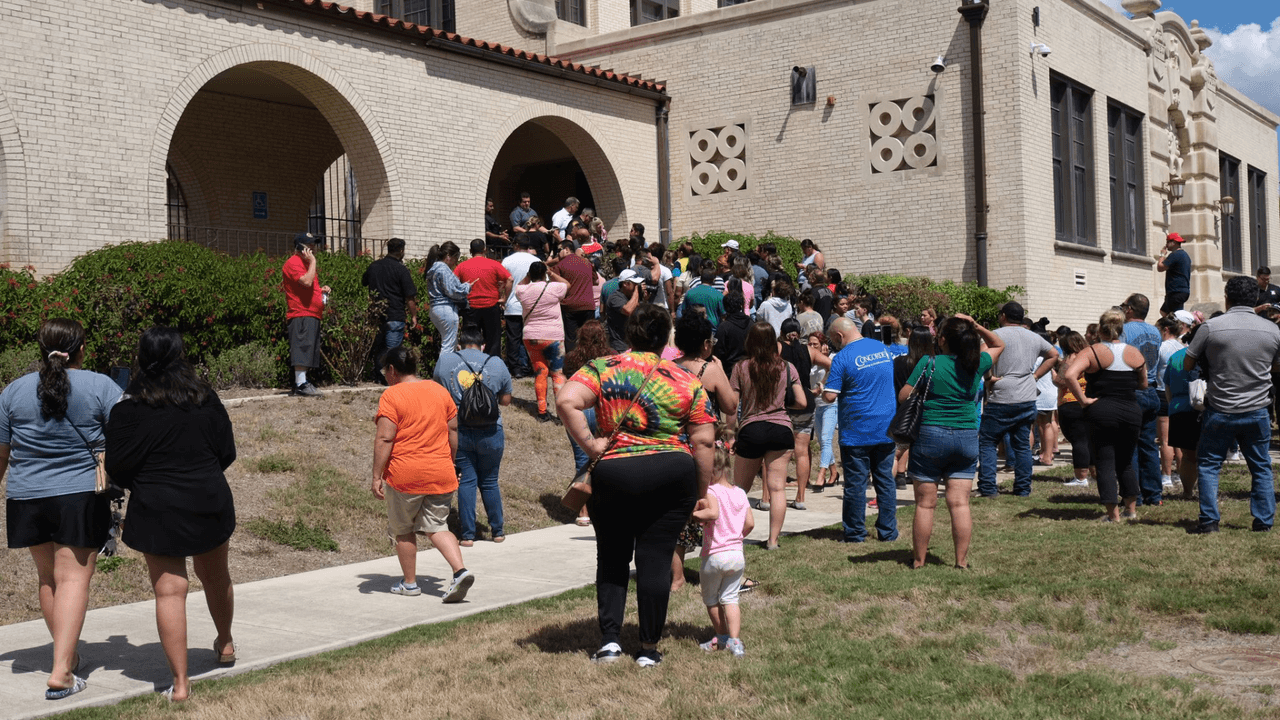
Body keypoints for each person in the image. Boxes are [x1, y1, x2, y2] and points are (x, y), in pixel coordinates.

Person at [558, 304, 716, 667]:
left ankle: (610, 643)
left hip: (615, 472)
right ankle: (648, 648)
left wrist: (591, 445)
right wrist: (701, 492)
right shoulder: (686, 380)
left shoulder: (602, 368)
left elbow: (567, 400)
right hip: (671, 472)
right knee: (656, 559)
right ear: (666, 339)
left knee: (612, 557)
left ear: (630, 334)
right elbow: (705, 441)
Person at [104, 327, 237, 703]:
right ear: (180, 356)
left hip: (156, 503)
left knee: (169, 591)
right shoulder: (205, 398)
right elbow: (226, 451)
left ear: (141, 359)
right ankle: (225, 643)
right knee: (216, 576)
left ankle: (180, 684)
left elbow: (117, 466)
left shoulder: (127, 408)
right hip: (207, 497)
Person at [0, 319, 122, 700]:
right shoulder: (102, 386)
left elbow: (1, 455)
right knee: (73, 580)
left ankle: (66, 657)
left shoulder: (12, 392)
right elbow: (128, 436)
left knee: (48, 579)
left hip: (25, 497)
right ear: (82, 349)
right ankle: (62, 672)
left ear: (41, 349)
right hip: (79, 496)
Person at [898, 314, 1004, 569]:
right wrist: (975, 326)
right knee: (959, 503)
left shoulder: (929, 362)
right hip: (966, 435)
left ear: (943, 340)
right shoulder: (977, 363)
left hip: (930, 434)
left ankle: (919, 561)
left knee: (925, 504)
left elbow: (904, 396)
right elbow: (999, 344)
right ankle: (961, 561)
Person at [370, 347, 475, 602]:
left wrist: (376, 476)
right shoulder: (439, 390)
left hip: (405, 475)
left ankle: (410, 584)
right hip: (441, 472)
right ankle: (460, 571)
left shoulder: (392, 395)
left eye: (385, 371)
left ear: (392, 370)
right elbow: (452, 430)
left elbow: (385, 438)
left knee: (403, 529)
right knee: (437, 526)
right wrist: (449, 463)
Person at [1183, 276, 1280, 534]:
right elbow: (1276, 367)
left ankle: (1209, 521)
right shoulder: (1273, 330)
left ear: (1227, 298)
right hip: (1257, 408)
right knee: (1260, 467)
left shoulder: (1211, 327)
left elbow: (1188, 364)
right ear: (1256, 298)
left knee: (1209, 465)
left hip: (1220, 408)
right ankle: (1263, 521)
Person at [671, 311, 738, 592]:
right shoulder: (709, 369)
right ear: (706, 344)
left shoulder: (668, 368)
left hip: (676, 446)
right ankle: (718, 568)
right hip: (708, 446)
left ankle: (676, 577)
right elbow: (731, 406)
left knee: (676, 513)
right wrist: (720, 371)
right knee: (714, 508)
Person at [1063, 308, 1146, 523]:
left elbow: (1069, 375)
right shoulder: (1135, 353)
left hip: (1102, 410)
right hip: (1130, 410)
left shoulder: (1092, 351)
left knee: (1105, 463)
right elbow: (1143, 384)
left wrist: (1083, 400)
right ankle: (1131, 510)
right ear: (1121, 329)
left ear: (1100, 329)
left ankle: (1113, 515)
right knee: (1126, 462)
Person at [434, 326, 513, 546]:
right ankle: (498, 532)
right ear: (483, 345)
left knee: (466, 481)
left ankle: (468, 535)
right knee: (490, 481)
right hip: (491, 430)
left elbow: (438, 393)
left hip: (459, 430)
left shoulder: (445, 361)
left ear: (459, 345)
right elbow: (506, 400)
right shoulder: (496, 363)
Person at [731, 322, 807, 549]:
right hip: (780, 429)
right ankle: (773, 540)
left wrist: (730, 433)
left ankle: (735, 536)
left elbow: (732, 405)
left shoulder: (741, 367)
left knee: (739, 490)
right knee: (777, 488)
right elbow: (802, 402)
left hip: (751, 428)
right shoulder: (787, 367)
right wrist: (782, 404)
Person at [823, 317, 899, 543]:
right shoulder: (883, 349)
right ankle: (888, 531)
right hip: (885, 427)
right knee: (885, 481)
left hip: (857, 430)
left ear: (839, 336)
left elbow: (830, 396)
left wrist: (821, 391)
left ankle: (855, 532)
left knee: (856, 484)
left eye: (834, 340)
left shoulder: (842, 357)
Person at [977, 302, 1059, 497]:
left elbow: (982, 355)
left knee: (988, 442)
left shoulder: (995, 335)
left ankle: (987, 488)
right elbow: (1054, 354)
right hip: (1026, 396)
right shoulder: (1033, 336)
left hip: (1001, 394)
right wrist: (1035, 376)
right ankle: (1022, 488)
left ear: (1003, 316)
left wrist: (988, 377)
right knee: (1022, 445)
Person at [693, 427, 752, 658]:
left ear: (712, 469)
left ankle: (721, 636)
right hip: (736, 554)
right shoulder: (740, 493)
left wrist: (692, 515)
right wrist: (736, 536)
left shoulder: (710, 491)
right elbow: (749, 523)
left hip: (714, 554)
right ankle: (736, 642)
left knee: (711, 599)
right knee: (731, 598)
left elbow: (713, 514)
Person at [1121, 293, 1164, 506]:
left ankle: (1133, 495)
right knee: (1149, 445)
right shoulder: (1155, 331)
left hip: (1132, 390)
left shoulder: (1123, 330)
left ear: (1130, 309)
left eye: (1123, 306)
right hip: (1152, 390)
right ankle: (1154, 495)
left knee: (1130, 446)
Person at [780, 317, 825, 510]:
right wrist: (822, 386)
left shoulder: (778, 348)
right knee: (802, 452)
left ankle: (770, 495)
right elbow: (831, 364)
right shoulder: (809, 350)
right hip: (806, 401)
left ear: (782, 333)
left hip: (784, 403)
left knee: (778, 452)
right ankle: (800, 497)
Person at [516, 261, 570, 422]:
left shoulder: (522, 290)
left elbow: (519, 285)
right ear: (544, 273)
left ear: (530, 274)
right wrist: (551, 273)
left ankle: (542, 411)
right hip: (553, 336)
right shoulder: (554, 288)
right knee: (557, 374)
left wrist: (528, 275)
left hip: (531, 336)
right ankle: (561, 414)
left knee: (540, 372)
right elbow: (567, 284)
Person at [282, 232, 331, 397]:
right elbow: (307, 282)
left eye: (314, 244)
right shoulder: (293, 262)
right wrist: (313, 261)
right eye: (310, 245)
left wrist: (321, 291)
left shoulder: (306, 264)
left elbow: (310, 287)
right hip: (301, 312)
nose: (313, 248)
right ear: (300, 247)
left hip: (311, 312)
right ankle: (301, 384)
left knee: (308, 348)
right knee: (302, 347)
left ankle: (302, 382)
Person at [361, 237, 419, 361]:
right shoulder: (401, 269)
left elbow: (364, 282)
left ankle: (379, 372)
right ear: (401, 251)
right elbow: (409, 296)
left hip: (376, 315)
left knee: (379, 353)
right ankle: (389, 373)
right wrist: (413, 315)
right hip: (395, 315)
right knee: (392, 355)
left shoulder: (374, 266)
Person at [892, 327, 935, 488]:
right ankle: (912, 473)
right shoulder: (933, 363)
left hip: (903, 408)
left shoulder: (899, 362)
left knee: (901, 444)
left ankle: (899, 475)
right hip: (926, 409)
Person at [454, 238, 512, 357]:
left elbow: (453, 284)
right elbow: (510, 279)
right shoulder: (494, 264)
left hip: (470, 308)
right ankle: (492, 365)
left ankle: (470, 362)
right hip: (491, 306)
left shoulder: (461, 266)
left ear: (471, 251)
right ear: (485, 250)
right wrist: (504, 298)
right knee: (493, 341)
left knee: (470, 340)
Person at [1164, 326, 1201, 501]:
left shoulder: (1176, 356)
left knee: (1187, 456)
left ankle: (1187, 492)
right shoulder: (1210, 355)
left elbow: (1167, 385)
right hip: (1206, 409)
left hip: (1179, 408)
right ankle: (1206, 491)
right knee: (1208, 455)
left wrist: (1173, 405)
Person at [1054, 331, 1092, 488]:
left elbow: (1061, 381)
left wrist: (1052, 369)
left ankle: (1081, 478)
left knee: (1078, 441)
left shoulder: (1071, 358)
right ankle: (1093, 474)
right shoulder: (1089, 356)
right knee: (1088, 440)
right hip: (1087, 400)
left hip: (1070, 402)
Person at [549, 240, 598, 353]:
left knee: (571, 339)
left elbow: (555, 286)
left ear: (566, 249)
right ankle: (590, 359)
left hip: (569, 307)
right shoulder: (587, 263)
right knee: (589, 337)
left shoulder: (560, 265)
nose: (558, 253)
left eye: (559, 250)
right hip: (588, 305)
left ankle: (573, 361)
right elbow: (595, 281)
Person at [423, 241, 472, 356]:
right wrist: (466, 287)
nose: (456, 262)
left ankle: (446, 366)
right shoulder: (443, 269)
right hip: (446, 309)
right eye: (456, 258)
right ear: (448, 256)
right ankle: (445, 367)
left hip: (435, 308)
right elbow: (452, 291)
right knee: (449, 345)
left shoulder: (434, 268)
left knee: (448, 343)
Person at [501, 237, 540, 378]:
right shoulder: (536, 260)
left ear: (516, 245)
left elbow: (502, 282)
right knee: (531, 338)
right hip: (531, 306)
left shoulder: (507, 261)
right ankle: (531, 366)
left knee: (513, 339)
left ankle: (515, 368)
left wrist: (503, 298)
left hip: (512, 305)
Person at [1154, 316, 1185, 489]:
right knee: (1179, 440)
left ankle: (1166, 475)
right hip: (1180, 394)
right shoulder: (1182, 347)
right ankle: (1181, 474)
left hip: (1162, 392)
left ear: (1165, 329)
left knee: (1165, 440)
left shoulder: (1161, 347)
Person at [809, 332, 840, 492]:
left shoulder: (831, 359)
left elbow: (836, 375)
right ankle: (834, 472)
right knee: (822, 442)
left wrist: (825, 360)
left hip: (831, 404)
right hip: (816, 405)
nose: (812, 347)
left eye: (815, 344)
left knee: (826, 440)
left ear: (823, 345)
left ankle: (821, 474)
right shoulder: (809, 360)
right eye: (810, 344)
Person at [605, 268, 644, 352]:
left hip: (632, 344)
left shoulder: (632, 298)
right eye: (635, 284)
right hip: (620, 346)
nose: (637, 286)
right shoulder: (615, 298)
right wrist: (636, 291)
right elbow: (628, 310)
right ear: (625, 284)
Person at [1155, 232, 1191, 315]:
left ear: (1173, 243)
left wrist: (1162, 255)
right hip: (1183, 291)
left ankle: (1179, 324)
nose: (1166, 245)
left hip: (1175, 291)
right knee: (1165, 312)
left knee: (1173, 315)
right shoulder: (1185, 255)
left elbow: (1160, 267)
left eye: (1168, 242)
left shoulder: (1175, 255)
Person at [713, 291, 751, 369]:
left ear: (725, 307)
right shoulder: (751, 323)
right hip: (749, 368)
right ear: (741, 305)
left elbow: (718, 352)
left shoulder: (724, 327)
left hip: (729, 369)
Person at [682, 265, 726, 329]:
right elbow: (723, 314)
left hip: (692, 328)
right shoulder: (719, 295)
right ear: (713, 280)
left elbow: (684, 310)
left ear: (700, 279)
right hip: (712, 329)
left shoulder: (689, 293)